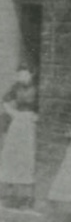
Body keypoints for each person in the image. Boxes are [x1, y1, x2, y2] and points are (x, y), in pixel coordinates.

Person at [0, 65, 38, 209]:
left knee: (27, 157)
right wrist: (13, 113)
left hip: (30, 124)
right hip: (18, 123)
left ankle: (26, 198)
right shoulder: (15, 88)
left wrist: (37, 116)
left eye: (24, 74)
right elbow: (4, 100)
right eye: (19, 75)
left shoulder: (37, 88)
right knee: (13, 156)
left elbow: (43, 105)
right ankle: (11, 196)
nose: (21, 77)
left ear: (31, 74)